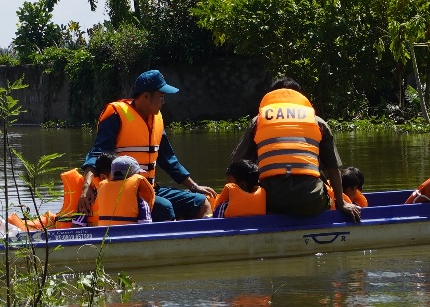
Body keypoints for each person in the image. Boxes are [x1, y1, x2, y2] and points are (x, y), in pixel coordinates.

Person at [81, 70, 214, 221]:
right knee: (165, 208)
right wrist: (86, 187)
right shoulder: (116, 115)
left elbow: (168, 159)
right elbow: (97, 154)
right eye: (161, 96)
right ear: (145, 96)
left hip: (151, 189)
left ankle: (199, 242)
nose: (163, 101)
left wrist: (194, 186)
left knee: (201, 202)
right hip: (124, 192)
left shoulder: (156, 119)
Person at [228, 78, 362, 222]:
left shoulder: (258, 121)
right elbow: (333, 167)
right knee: (323, 188)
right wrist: (341, 203)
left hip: (271, 202)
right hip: (311, 201)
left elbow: (236, 163)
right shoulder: (319, 122)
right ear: (300, 97)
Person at [92, 156, 156, 226]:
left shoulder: (102, 192)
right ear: (133, 176)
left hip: (105, 235)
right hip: (129, 235)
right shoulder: (141, 202)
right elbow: (146, 227)